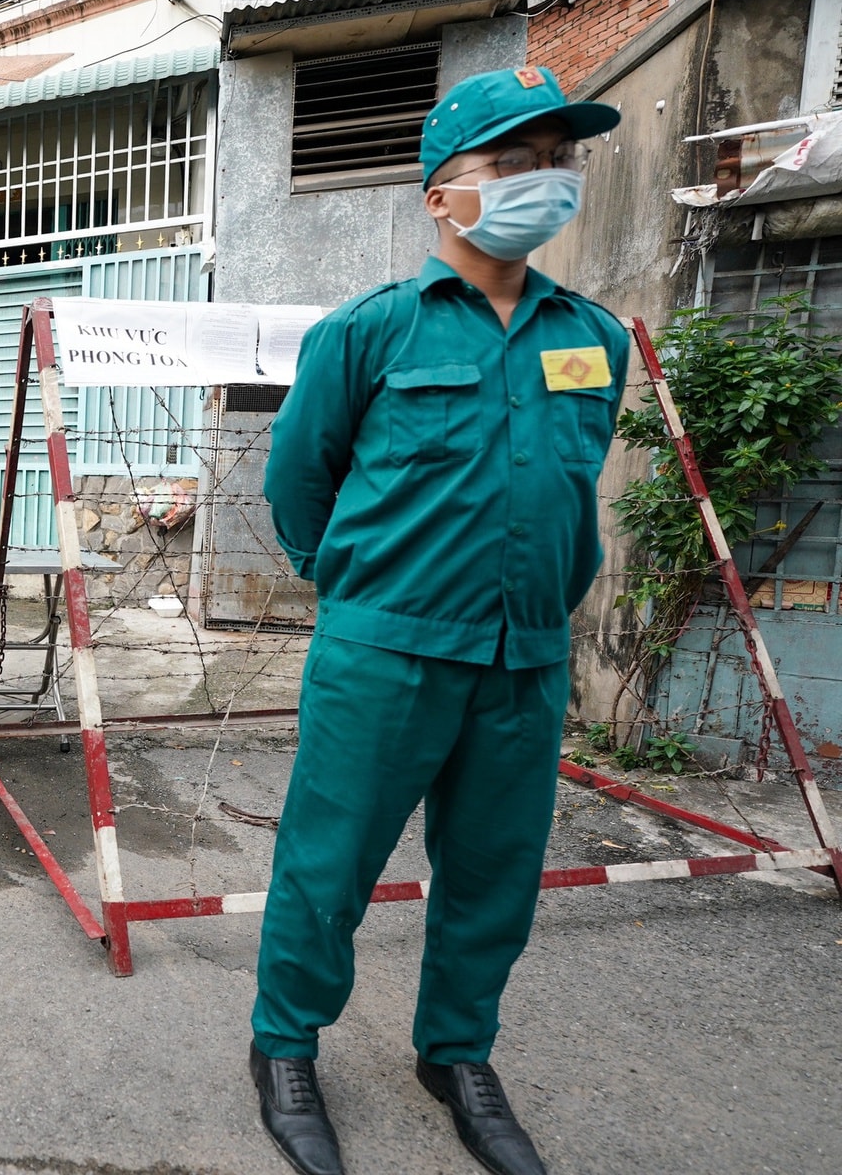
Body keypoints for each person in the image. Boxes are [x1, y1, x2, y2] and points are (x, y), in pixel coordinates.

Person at [250, 67, 626, 1175]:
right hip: (386, 650)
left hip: (526, 656)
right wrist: (362, 592)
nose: (545, 181)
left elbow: (573, 480)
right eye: (513, 162)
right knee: (329, 868)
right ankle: (284, 1048)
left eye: (561, 159)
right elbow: (298, 483)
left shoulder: (594, 338)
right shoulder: (370, 332)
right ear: (441, 195)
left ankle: (457, 1053)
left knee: (495, 874)